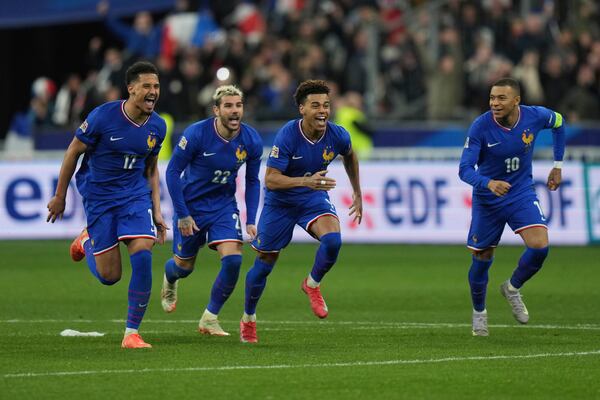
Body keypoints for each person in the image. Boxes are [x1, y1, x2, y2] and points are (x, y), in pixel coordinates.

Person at [47, 61, 168, 349]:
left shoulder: (158, 126)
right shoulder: (103, 116)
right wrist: (60, 196)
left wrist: (158, 210)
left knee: (143, 252)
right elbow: (73, 152)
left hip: (135, 196)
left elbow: (150, 169)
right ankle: (87, 240)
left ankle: (131, 333)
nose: (153, 92)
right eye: (147, 87)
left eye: (157, 87)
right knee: (110, 276)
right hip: (100, 197)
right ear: (131, 89)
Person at [240, 79, 363, 343]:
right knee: (264, 266)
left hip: (312, 198)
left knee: (333, 240)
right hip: (280, 202)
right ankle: (248, 318)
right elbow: (271, 179)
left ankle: (312, 284)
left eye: (327, 105)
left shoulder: (337, 134)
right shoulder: (288, 135)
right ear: (302, 109)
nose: (323, 111)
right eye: (315, 105)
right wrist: (304, 181)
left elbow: (350, 155)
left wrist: (357, 192)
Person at [458, 77, 565, 337]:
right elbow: (464, 170)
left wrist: (557, 165)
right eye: (492, 98)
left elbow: (559, 122)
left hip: (520, 193)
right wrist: (488, 183)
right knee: (482, 258)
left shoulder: (535, 116)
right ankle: (479, 313)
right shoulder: (480, 126)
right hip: (488, 199)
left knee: (540, 246)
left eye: (501, 98)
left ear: (516, 100)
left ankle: (513, 287)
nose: (495, 103)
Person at [160, 85, 262, 336]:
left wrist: (251, 218)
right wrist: (183, 213)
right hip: (192, 207)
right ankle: (170, 277)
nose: (235, 110)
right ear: (216, 110)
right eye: (228, 106)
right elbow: (172, 172)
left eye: (238, 105)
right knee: (184, 267)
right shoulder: (196, 134)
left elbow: (252, 181)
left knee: (234, 260)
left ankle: (210, 317)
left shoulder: (251, 140)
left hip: (223, 206)